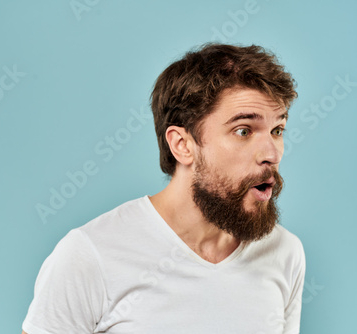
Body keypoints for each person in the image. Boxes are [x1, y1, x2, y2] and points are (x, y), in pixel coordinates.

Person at [21, 43, 306, 334]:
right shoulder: (89, 254)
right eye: (243, 131)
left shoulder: (285, 252)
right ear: (182, 145)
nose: (272, 154)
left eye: (277, 130)